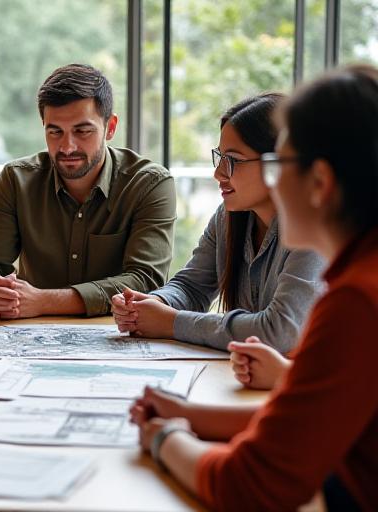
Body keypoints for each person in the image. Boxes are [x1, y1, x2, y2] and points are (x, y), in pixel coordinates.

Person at [131, 65, 378, 511]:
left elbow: (248, 485)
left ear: (319, 183)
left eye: (280, 162)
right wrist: (190, 415)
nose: (271, 182)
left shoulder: (358, 302)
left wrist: (166, 438)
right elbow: (311, 419)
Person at [0, 63, 176, 319]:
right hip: (29, 334)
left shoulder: (150, 184)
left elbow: (145, 280)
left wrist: (43, 301)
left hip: (117, 333)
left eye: (82, 131)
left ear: (111, 127)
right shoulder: (16, 180)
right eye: (55, 132)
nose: (67, 146)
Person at [110, 94, 323, 352]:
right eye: (219, 157)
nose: (218, 173)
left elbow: (279, 331)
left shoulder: (314, 229)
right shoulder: (228, 216)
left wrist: (171, 322)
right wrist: (148, 305)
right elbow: (192, 287)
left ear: (276, 164)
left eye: (232, 160)